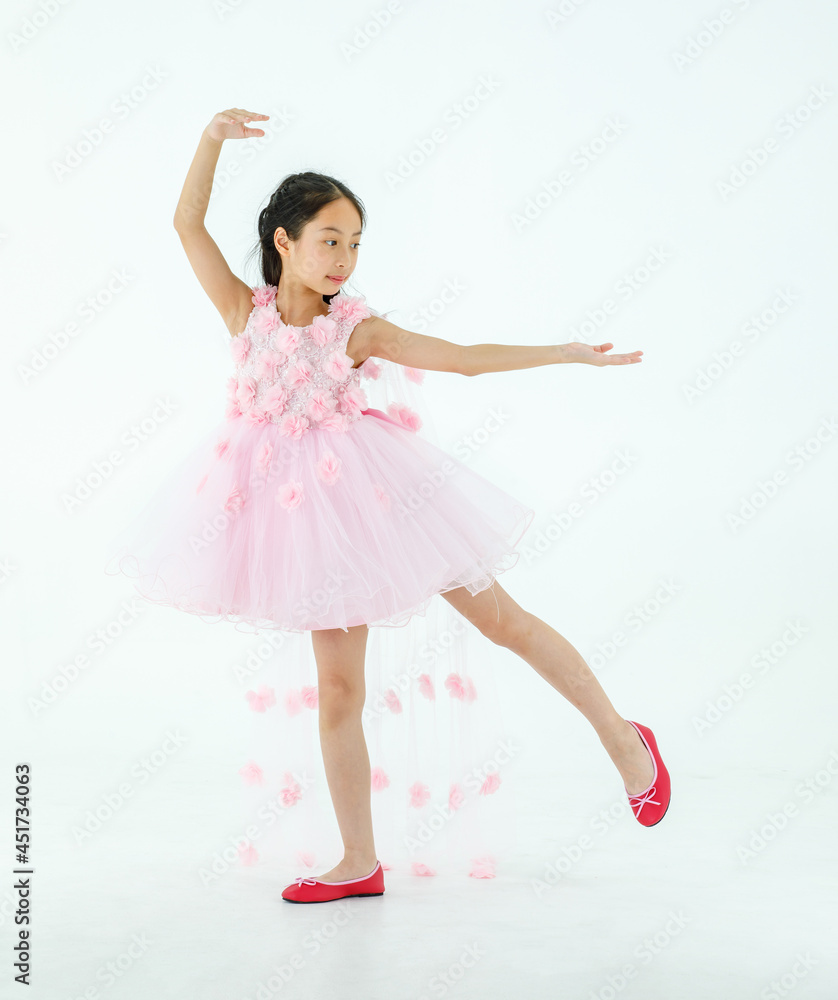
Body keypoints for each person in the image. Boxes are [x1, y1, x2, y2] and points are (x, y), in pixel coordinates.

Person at [105, 107, 670, 905]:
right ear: (284, 243)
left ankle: (624, 741)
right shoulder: (246, 314)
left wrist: (564, 352)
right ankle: (358, 859)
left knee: (503, 623)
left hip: (381, 500)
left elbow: (463, 361)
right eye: (329, 239)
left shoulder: (356, 331)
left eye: (355, 242)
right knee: (338, 692)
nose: (344, 258)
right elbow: (184, 222)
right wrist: (207, 139)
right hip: (299, 521)